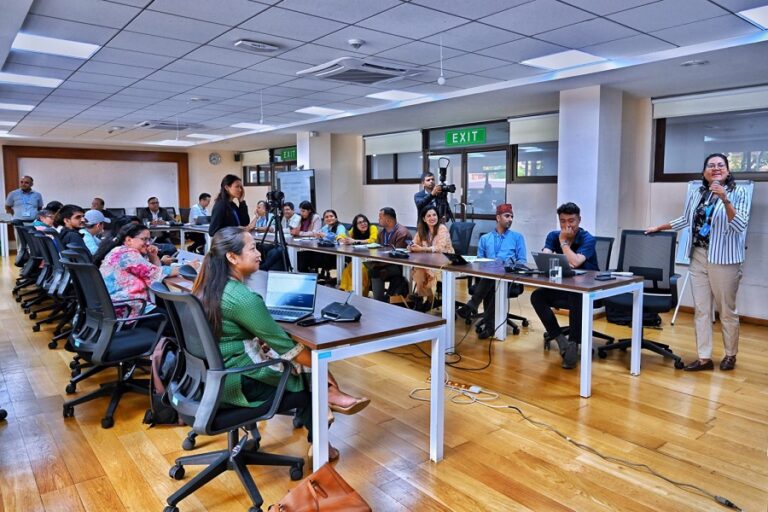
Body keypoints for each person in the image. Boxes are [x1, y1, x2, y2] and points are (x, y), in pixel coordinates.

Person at [192, 227, 370, 460]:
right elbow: (290, 350)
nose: (260, 254)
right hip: (237, 382)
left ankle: (328, 400)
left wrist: (259, 341)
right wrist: (324, 370)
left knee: (302, 364)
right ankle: (323, 431)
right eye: (252, 248)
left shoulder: (207, 286)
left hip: (209, 377)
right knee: (308, 370)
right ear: (232, 257)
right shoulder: (243, 298)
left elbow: (228, 333)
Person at [646, 153, 751, 372]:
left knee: (726, 310)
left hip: (724, 258)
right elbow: (686, 219)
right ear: (704, 172)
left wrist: (725, 199)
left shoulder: (738, 192)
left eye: (720, 165)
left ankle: (730, 354)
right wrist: (659, 227)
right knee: (702, 310)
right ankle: (704, 358)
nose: (716, 168)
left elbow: (739, 225)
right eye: (711, 165)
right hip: (699, 256)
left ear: (728, 171)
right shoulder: (698, 193)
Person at [529, 202, 598, 369]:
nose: (567, 225)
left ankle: (574, 344)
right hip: (564, 287)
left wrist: (563, 242)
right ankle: (561, 340)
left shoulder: (588, 239)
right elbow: (544, 257)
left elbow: (576, 262)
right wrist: (550, 252)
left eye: (571, 221)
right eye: (563, 221)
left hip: (588, 291)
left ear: (579, 220)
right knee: (537, 296)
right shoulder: (553, 235)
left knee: (576, 294)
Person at [456, 204, 526, 339]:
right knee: (491, 280)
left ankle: (473, 305)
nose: (510, 219)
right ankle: (490, 327)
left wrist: (506, 265)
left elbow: (522, 261)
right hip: (488, 277)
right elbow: (479, 262)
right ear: (498, 218)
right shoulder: (485, 238)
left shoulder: (517, 237)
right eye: (507, 216)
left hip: (509, 278)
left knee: (493, 279)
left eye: (512, 217)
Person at [95, 223, 182, 318]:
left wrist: (153, 256)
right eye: (144, 239)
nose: (148, 243)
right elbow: (156, 273)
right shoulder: (128, 254)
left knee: (167, 310)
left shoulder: (118, 250)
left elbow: (155, 271)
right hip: (127, 309)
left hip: (115, 306)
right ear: (129, 240)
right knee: (171, 318)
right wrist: (187, 268)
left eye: (149, 239)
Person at [409, 206, 454, 309]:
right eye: (428, 216)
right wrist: (411, 246)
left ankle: (423, 298)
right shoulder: (422, 230)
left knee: (422, 269)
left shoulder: (442, 228)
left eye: (434, 215)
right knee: (419, 270)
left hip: (445, 259)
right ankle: (425, 299)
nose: (432, 218)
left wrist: (422, 249)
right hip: (428, 260)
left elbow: (440, 248)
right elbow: (414, 242)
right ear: (424, 219)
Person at [367, 207, 412, 302]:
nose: (378, 219)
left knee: (375, 272)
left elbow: (398, 256)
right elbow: (377, 250)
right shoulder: (381, 233)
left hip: (400, 266)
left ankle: (379, 301)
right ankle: (377, 299)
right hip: (384, 263)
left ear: (388, 220)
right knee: (368, 269)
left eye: (380, 217)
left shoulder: (402, 233)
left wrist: (378, 264)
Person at [339, 214, 378, 295]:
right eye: (359, 223)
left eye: (364, 221)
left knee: (362, 269)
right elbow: (343, 235)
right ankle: (348, 292)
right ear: (355, 226)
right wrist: (341, 239)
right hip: (359, 258)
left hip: (372, 259)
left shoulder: (372, 228)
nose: (363, 224)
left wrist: (355, 241)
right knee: (347, 270)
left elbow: (372, 240)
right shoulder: (354, 230)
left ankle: (362, 293)